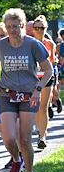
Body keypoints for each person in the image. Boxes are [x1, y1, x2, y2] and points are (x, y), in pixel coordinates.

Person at [0, 8, 52, 172]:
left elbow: (48, 70)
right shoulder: (1, 45)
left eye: (15, 26)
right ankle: (16, 160)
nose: (12, 30)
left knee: (24, 139)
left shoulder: (33, 44)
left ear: (23, 26)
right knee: (8, 138)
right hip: (6, 94)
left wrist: (38, 89)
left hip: (28, 95)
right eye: (8, 27)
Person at [30, 15, 58, 149]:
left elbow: (52, 62)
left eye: (41, 28)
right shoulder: (29, 43)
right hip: (33, 78)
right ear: (32, 29)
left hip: (46, 77)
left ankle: (42, 137)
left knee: (43, 107)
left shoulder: (49, 44)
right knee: (36, 106)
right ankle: (40, 130)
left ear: (45, 29)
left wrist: (51, 63)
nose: (39, 30)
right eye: (36, 28)